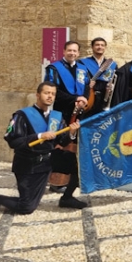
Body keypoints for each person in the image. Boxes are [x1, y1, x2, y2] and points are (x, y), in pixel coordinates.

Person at [0, 82, 85, 213]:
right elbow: (13, 142)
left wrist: (71, 133)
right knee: (26, 207)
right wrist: (39, 136)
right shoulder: (22, 115)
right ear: (38, 95)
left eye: (53, 94)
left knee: (80, 165)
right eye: (46, 93)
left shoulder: (56, 116)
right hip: (29, 164)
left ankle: (67, 198)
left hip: (50, 158)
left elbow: (62, 141)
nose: (50, 96)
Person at [44, 41, 90, 193]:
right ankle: (57, 182)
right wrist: (75, 99)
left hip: (79, 112)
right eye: (69, 50)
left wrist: (84, 100)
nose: (72, 53)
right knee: (60, 146)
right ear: (63, 51)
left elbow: (87, 89)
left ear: (78, 53)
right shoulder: (54, 69)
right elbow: (52, 90)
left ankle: (71, 179)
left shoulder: (83, 69)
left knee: (74, 147)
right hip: (61, 113)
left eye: (75, 51)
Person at [79, 37, 117, 115]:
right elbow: (79, 79)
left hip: (104, 100)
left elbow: (115, 81)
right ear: (92, 47)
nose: (100, 47)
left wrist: (111, 86)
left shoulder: (112, 65)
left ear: (105, 47)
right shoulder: (83, 63)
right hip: (89, 97)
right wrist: (87, 82)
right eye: (97, 45)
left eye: (102, 45)